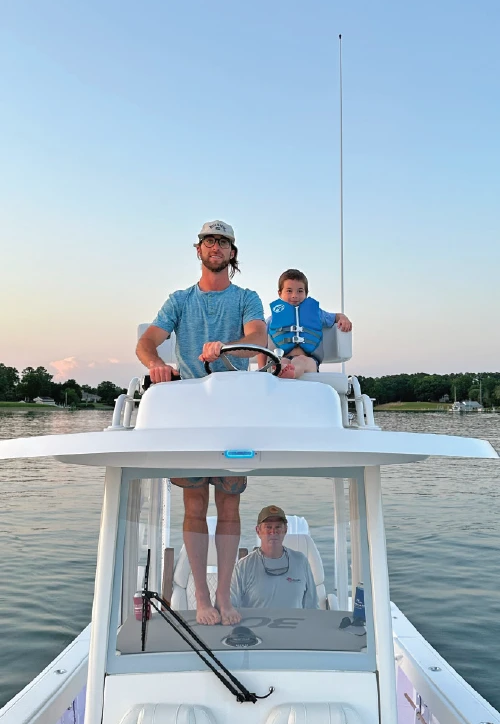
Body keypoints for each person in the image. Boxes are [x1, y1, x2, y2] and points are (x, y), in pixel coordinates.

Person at [136, 220, 267, 627]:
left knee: (229, 504)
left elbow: (258, 340)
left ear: (232, 253)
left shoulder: (247, 297)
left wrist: (226, 347)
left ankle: (223, 594)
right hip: (189, 410)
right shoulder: (179, 300)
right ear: (199, 250)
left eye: (223, 243)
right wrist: (157, 365)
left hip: (234, 409)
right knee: (194, 505)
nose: (216, 247)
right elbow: (146, 342)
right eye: (209, 241)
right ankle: (202, 595)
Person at [256, 268, 352, 379]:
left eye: (300, 291)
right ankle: (284, 369)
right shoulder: (272, 320)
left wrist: (343, 318)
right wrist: (261, 369)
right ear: (280, 293)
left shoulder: (317, 313)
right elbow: (261, 343)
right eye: (289, 291)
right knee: (281, 362)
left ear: (306, 294)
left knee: (300, 361)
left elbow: (335, 316)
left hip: (309, 361)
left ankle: (291, 372)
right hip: (283, 357)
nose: (294, 295)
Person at [230, 505, 319, 610]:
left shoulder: (301, 561)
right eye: (268, 527)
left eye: (278, 527)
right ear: (258, 531)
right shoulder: (242, 567)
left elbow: (312, 606)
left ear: (285, 530)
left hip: (295, 621)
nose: (273, 531)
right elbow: (230, 606)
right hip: (256, 622)